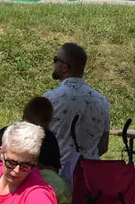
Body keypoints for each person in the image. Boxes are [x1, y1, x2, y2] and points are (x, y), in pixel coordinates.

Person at [45, 42, 110, 180]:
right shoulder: (102, 102)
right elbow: (103, 147)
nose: (54, 63)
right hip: (90, 181)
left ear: (64, 67)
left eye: (56, 59)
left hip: (57, 180)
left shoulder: (49, 100)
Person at [15, 96, 69, 204]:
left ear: (23, 117)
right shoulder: (48, 137)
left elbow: (53, 170)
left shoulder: (8, 132)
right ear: (48, 122)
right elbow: (54, 170)